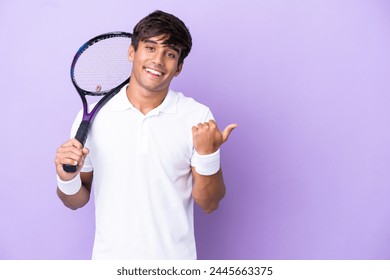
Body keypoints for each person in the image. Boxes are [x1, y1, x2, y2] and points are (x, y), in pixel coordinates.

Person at [54, 10, 237, 260]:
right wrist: (66, 178)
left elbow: (210, 203)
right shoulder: (94, 117)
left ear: (179, 67)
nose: (158, 60)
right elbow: (75, 200)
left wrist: (209, 156)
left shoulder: (197, 116)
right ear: (132, 52)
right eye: (150, 48)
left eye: (170, 54)